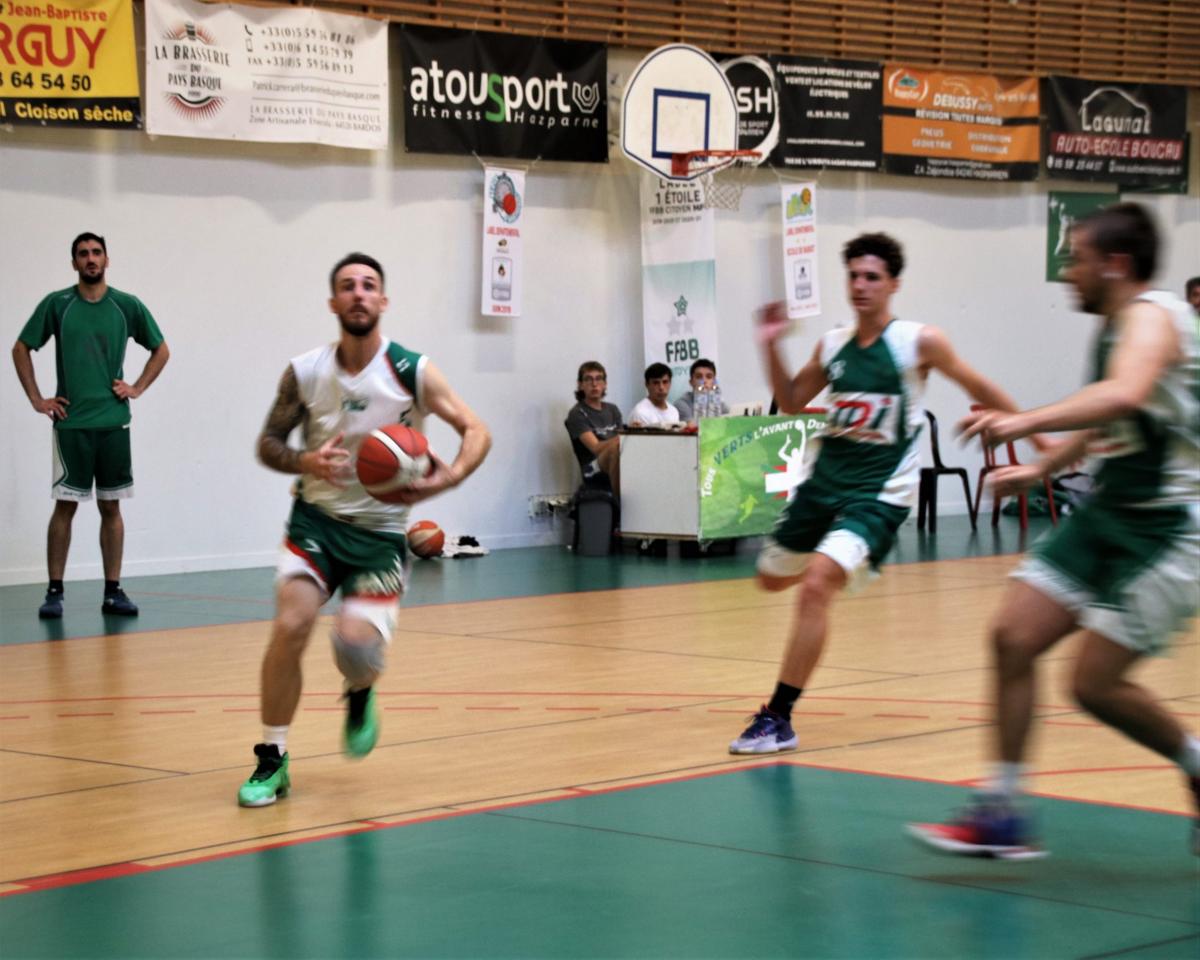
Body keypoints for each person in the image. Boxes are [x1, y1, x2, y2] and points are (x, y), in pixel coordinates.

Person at [909, 203, 1199, 859]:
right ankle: (1003, 813)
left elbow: (1123, 395)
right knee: (1013, 637)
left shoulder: (1153, 318)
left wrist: (1023, 422)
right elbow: (1110, 422)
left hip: (1166, 531)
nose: (1068, 272)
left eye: (1077, 259)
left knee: (1092, 685)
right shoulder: (1118, 326)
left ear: (1116, 264)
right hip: (1107, 514)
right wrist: (1043, 466)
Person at [729, 232, 1029, 756]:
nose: (861, 285)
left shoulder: (918, 342)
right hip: (824, 484)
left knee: (815, 586)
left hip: (880, 493)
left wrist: (1039, 437)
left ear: (894, 284)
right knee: (769, 581)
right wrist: (771, 343)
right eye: (854, 276)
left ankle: (778, 716)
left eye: (872, 277)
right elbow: (792, 401)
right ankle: (840, 561)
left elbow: (979, 387)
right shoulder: (833, 345)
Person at [237, 252, 491, 807]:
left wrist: (448, 477)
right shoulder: (306, 371)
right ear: (333, 302)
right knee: (291, 624)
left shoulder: (412, 370)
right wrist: (305, 461)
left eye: (369, 285)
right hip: (316, 523)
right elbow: (268, 444)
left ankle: (359, 688)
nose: (359, 293)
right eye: (348, 286)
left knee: (353, 647)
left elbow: (476, 430)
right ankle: (273, 757)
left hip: (379, 534)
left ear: (383, 301)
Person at [12, 232, 170, 619]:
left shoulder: (125, 305)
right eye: (83, 254)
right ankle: (54, 592)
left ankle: (113, 592)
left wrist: (137, 387)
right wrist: (37, 399)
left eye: (97, 252)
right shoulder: (58, 304)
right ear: (74, 263)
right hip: (71, 425)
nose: (90, 258)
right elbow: (21, 348)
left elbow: (161, 349)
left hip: (113, 424)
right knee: (65, 507)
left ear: (107, 260)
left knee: (111, 507)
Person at [565, 361, 622, 493]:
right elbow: (596, 448)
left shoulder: (612, 409)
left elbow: (623, 441)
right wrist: (623, 437)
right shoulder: (577, 413)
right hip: (592, 468)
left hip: (616, 459)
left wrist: (635, 433)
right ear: (580, 385)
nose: (594, 384)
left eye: (598, 379)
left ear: (605, 384)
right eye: (588, 379)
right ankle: (619, 501)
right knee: (614, 450)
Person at [629, 362, 681, 427]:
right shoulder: (640, 412)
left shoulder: (674, 411)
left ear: (670, 383)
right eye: (656, 383)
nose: (661, 387)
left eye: (665, 382)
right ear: (647, 384)